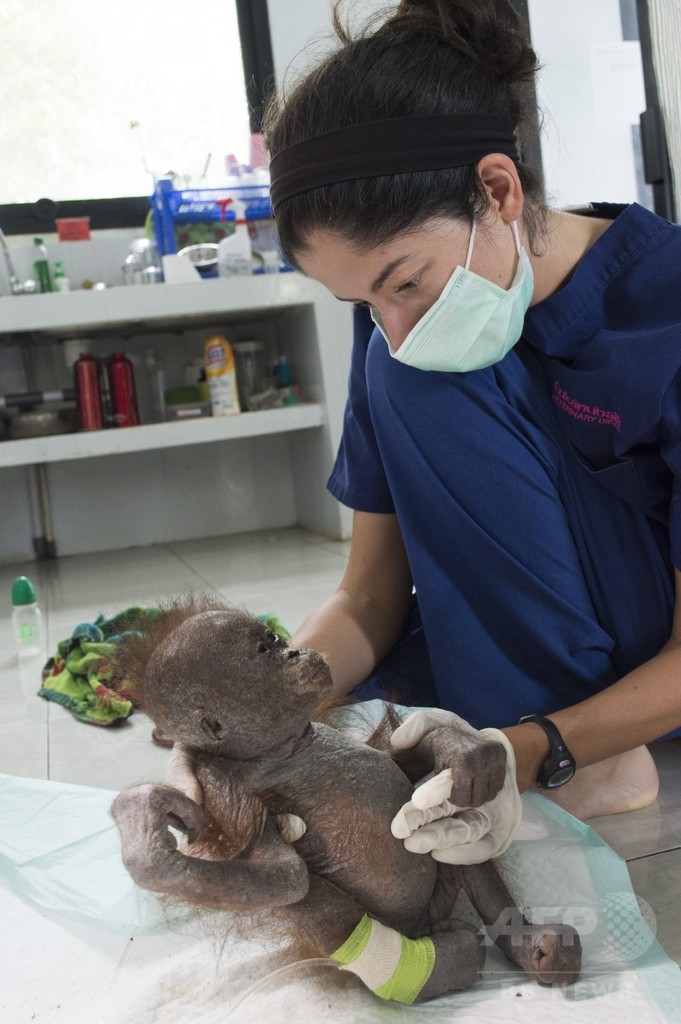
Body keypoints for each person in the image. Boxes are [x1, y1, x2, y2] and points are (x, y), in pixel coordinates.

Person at [261, 0, 681, 827]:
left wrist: (529, 749)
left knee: (415, 377)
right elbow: (367, 599)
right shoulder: (403, 331)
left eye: (404, 282)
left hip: (650, 665)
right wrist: (264, 710)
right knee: (406, 370)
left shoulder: (663, 309)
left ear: (497, 189)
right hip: (528, 670)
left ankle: (583, 754)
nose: (394, 326)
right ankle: (524, 726)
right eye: (362, 301)